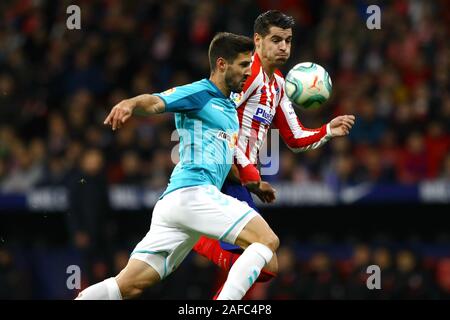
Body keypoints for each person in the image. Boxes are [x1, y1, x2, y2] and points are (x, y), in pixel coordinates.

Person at [76, 32, 279, 300]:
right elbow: (155, 101)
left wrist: (252, 183)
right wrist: (130, 103)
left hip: (177, 204)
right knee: (267, 241)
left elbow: (222, 160)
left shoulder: (229, 109)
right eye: (243, 65)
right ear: (221, 64)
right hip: (194, 193)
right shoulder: (200, 92)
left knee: (128, 285)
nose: (248, 72)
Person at [191, 10, 356, 298]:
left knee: (265, 264)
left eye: (288, 41)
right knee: (265, 256)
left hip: (239, 178)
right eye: (276, 39)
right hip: (223, 171)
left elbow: (294, 137)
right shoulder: (247, 73)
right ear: (257, 40)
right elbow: (217, 115)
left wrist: (328, 129)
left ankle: (193, 233)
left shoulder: (278, 84)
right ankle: (196, 235)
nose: (284, 47)